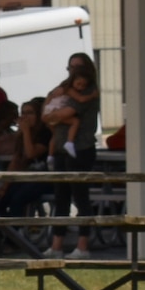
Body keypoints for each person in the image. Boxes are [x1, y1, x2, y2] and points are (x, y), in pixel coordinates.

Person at [44, 53, 102, 259]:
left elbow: (65, 113)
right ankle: (57, 245)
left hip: (81, 148)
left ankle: (83, 246)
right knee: (61, 197)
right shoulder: (65, 86)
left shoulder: (87, 90)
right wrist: (50, 113)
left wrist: (52, 116)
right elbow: (47, 105)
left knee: (80, 197)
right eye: (71, 67)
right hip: (60, 146)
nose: (74, 71)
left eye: (78, 67)